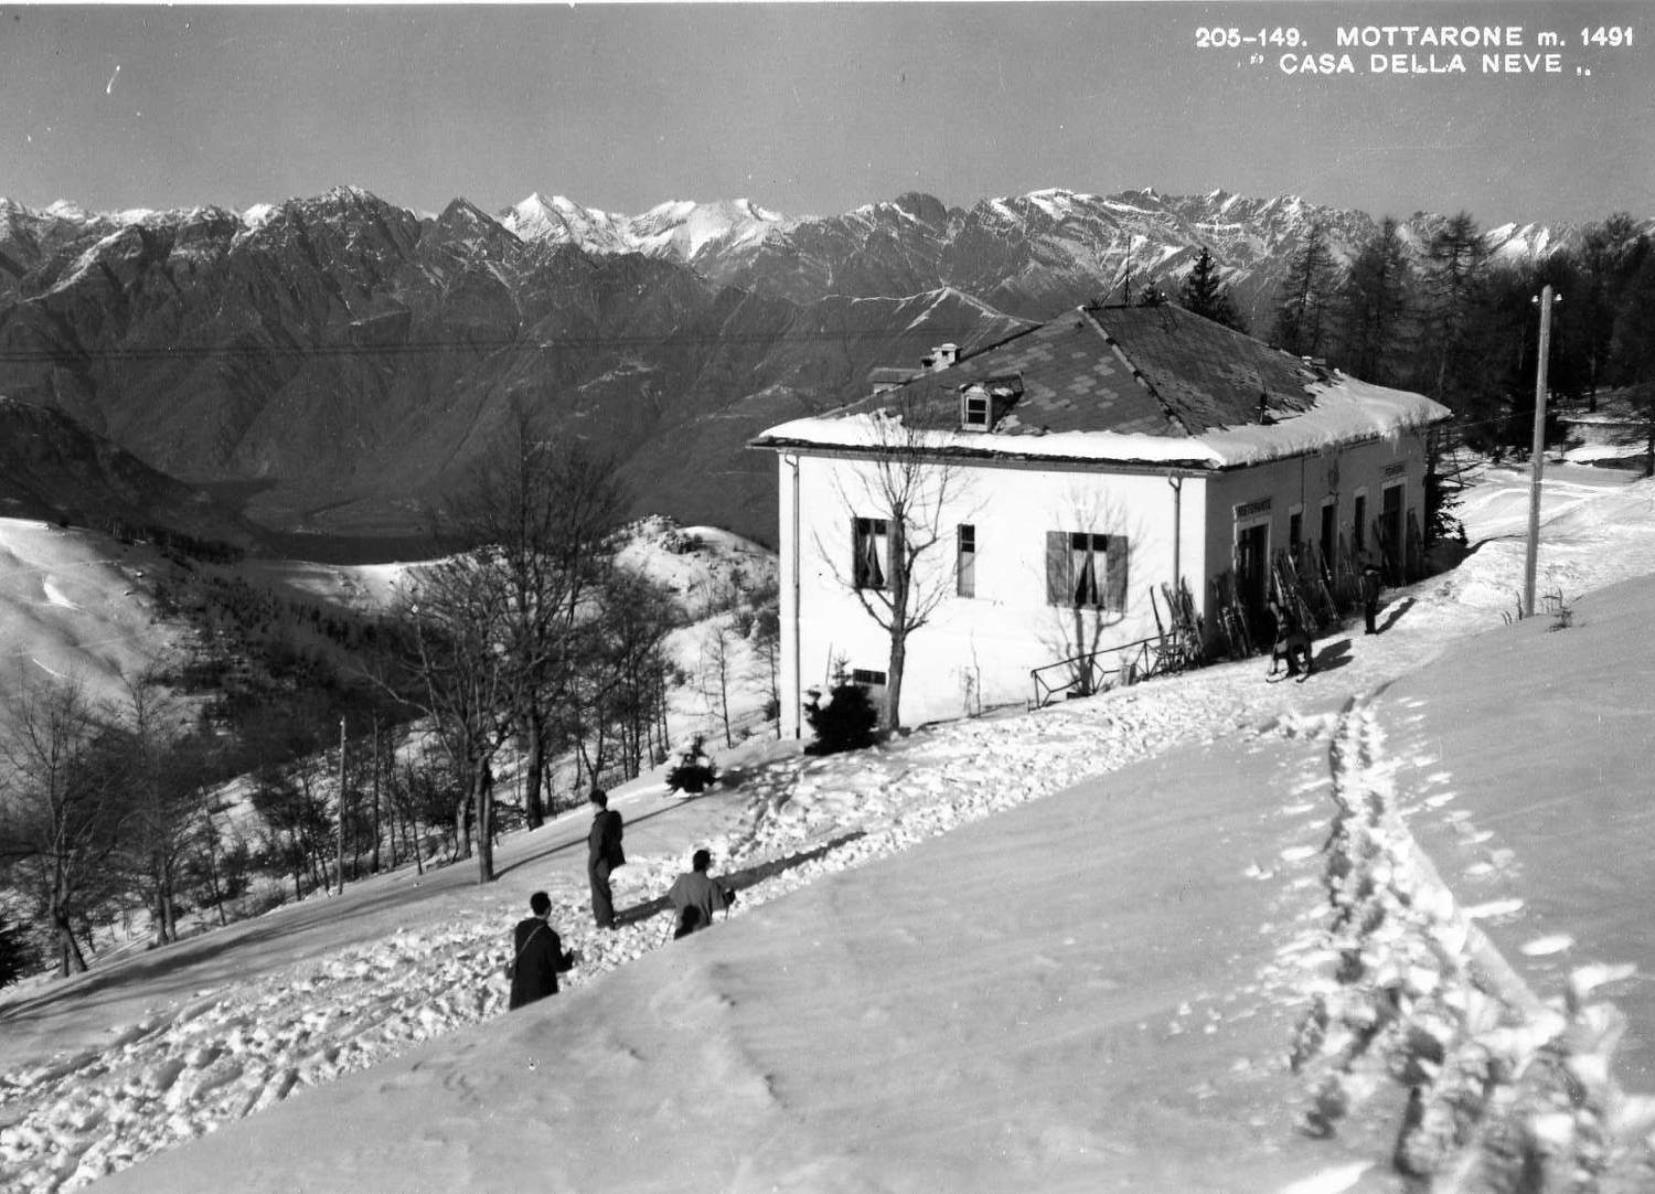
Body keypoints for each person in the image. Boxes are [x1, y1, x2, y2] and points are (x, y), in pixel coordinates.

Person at [508, 891, 576, 1010]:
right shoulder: (550, 937)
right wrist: (570, 958)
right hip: (541, 992)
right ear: (548, 909)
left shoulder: (521, 927)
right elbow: (558, 966)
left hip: (520, 990)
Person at [666, 848, 735, 938]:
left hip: (681, 931)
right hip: (700, 933)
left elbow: (672, 895)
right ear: (707, 865)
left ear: (694, 863)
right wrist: (729, 897)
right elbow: (720, 903)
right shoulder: (710, 884)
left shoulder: (682, 879)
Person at [587, 789, 625, 929]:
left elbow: (596, 845)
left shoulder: (599, 824)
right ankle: (608, 914)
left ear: (596, 804)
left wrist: (593, 862)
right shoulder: (614, 817)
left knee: (599, 891)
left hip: (601, 861)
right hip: (614, 857)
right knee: (604, 889)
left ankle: (604, 920)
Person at [1268, 597, 1314, 678]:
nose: (1274, 609)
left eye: (1274, 606)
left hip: (1294, 637)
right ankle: (1292, 668)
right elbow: (1274, 634)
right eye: (1272, 607)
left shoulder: (1285, 612)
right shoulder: (1271, 618)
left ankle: (1307, 663)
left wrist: (1285, 626)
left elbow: (1293, 624)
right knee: (1278, 649)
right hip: (1285, 640)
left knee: (1292, 646)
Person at [1361, 559, 1384, 635]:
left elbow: (1372, 589)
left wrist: (1369, 599)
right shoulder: (1370, 577)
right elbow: (1367, 589)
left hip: (1371, 599)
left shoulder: (1371, 578)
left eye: (1367, 571)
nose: (1366, 572)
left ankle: (1371, 630)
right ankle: (1370, 629)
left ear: (1369, 570)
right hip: (1370, 598)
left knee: (1370, 615)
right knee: (1369, 615)